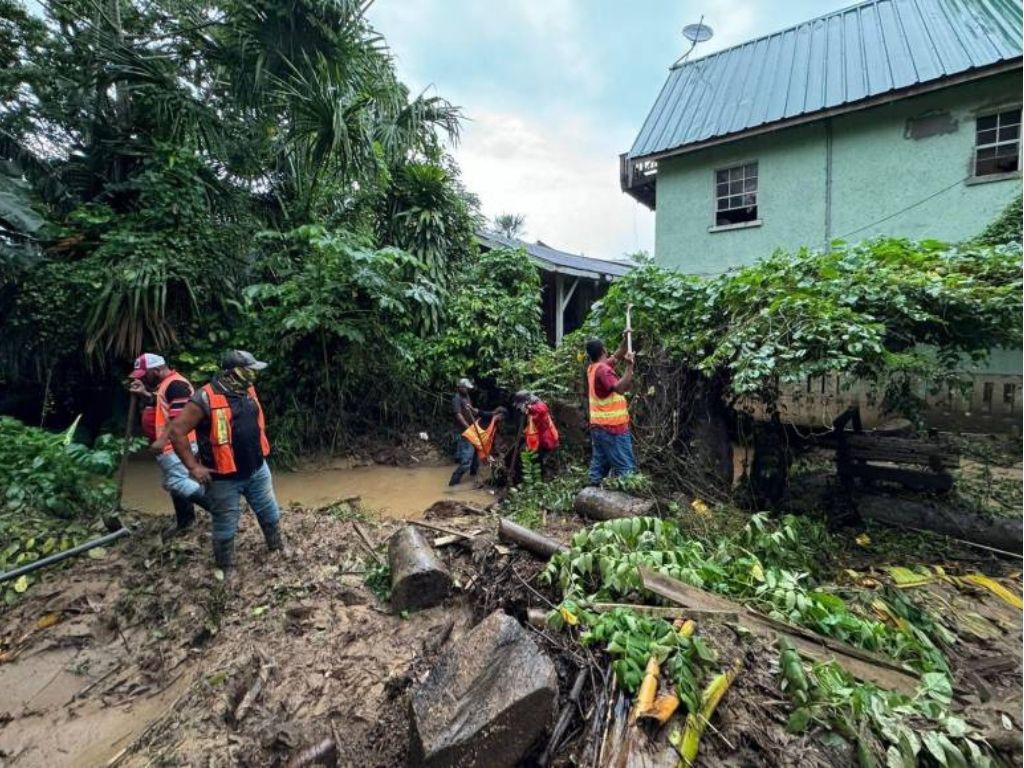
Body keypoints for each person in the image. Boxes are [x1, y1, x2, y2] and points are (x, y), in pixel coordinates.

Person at [168, 350, 286, 576]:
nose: (254, 376)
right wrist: (194, 467)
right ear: (235, 373)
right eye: (250, 371)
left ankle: (277, 547)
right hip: (224, 477)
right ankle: (227, 567)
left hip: (256, 469)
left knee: (269, 511)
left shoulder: (247, 390)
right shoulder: (204, 398)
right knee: (225, 523)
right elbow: (176, 432)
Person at [127, 353, 208, 533]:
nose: (143, 378)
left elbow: (179, 421)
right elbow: (160, 408)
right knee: (174, 483)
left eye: (144, 375)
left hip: (176, 445)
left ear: (156, 370)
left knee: (178, 482)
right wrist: (145, 394)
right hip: (170, 445)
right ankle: (185, 521)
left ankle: (219, 509)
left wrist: (161, 442)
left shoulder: (176, 385)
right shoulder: (165, 385)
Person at [585, 336, 636, 484]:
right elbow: (620, 389)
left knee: (599, 466)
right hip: (612, 429)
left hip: (598, 427)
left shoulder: (593, 368)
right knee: (626, 469)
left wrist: (626, 338)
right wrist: (629, 366)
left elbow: (618, 354)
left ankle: (590, 496)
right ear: (603, 351)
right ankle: (629, 503)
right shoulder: (603, 371)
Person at [514, 390, 560, 476]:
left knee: (539, 460)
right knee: (532, 457)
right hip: (540, 438)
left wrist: (529, 408)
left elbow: (543, 409)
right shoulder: (531, 408)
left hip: (548, 439)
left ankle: (544, 478)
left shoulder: (539, 405)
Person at [449, 377, 480, 485]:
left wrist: (474, 411)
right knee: (466, 461)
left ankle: (473, 479)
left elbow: (470, 410)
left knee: (476, 458)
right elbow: (458, 415)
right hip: (463, 432)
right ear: (460, 388)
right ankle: (453, 484)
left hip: (472, 430)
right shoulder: (456, 398)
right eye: (466, 388)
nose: (467, 390)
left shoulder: (466, 396)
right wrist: (469, 428)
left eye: (468, 388)